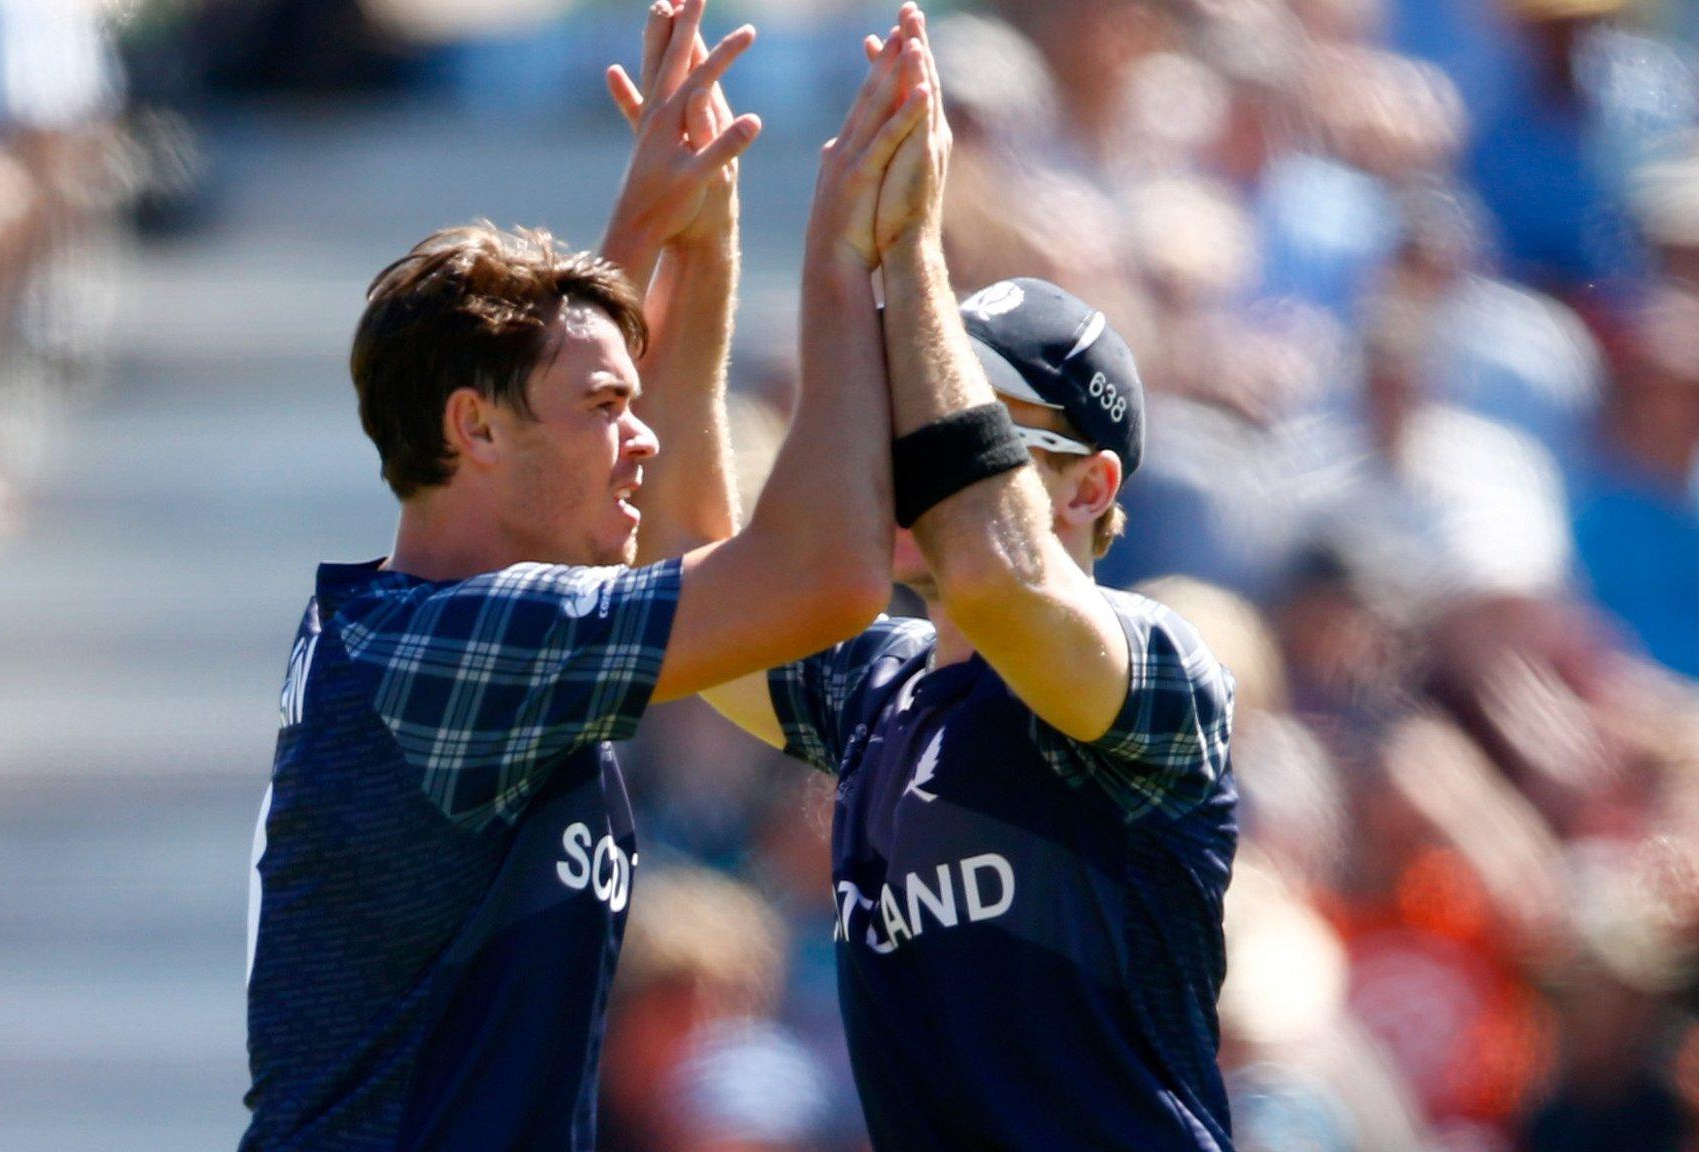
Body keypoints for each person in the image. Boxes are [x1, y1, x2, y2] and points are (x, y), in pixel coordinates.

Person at [238, 4, 932, 1147]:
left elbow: (686, 557)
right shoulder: (463, 646)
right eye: (607, 411)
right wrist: (849, 260)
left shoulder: (418, 629)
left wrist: (693, 248)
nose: (640, 436)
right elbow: (820, 578)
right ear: (476, 431)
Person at [698, 13, 1239, 1149]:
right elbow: (696, 585)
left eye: (974, 430)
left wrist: (905, 258)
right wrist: (696, 262)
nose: (916, 461)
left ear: (1089, 488)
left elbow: (998, 578)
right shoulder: (873, 695)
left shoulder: (1156, 673)